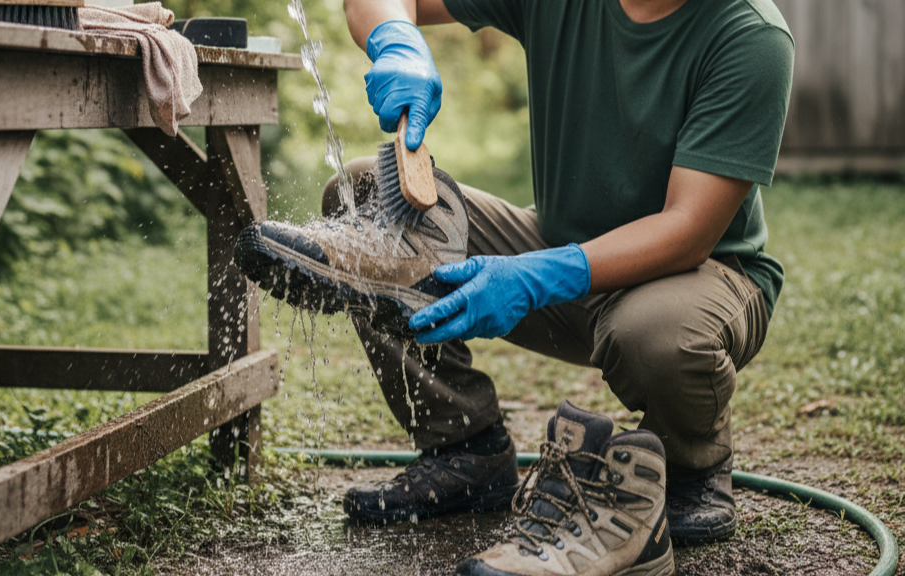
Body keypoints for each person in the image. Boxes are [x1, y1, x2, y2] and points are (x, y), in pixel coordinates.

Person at [236, 0, 793, 573]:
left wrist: (535, 275)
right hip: (556, 244)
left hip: (697, 278)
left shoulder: (749, 35)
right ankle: (464, 448)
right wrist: (395, 36)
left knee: (657, 337)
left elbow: (689, 230)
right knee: (364, 201)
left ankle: (692, 466)